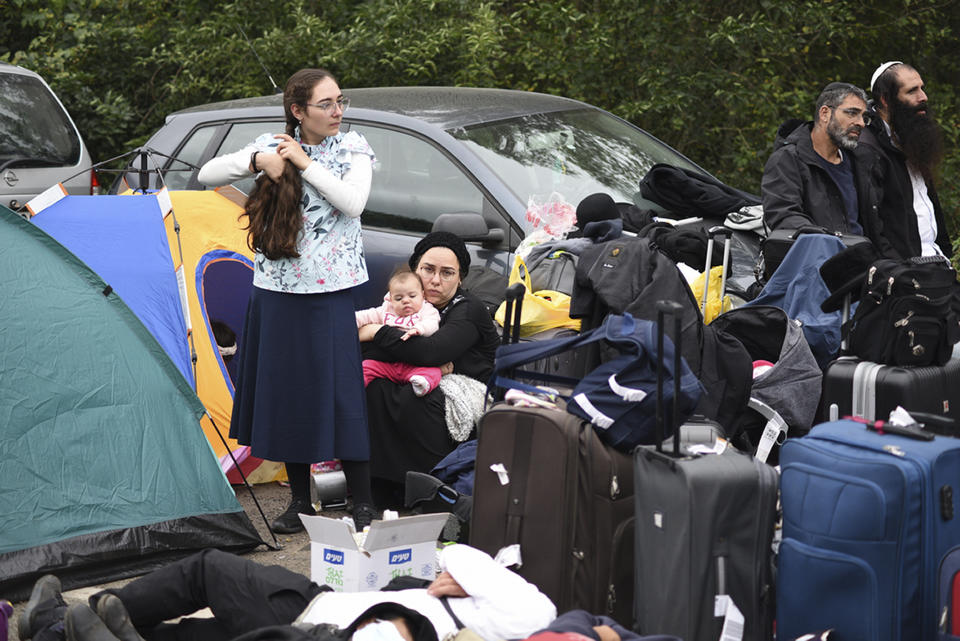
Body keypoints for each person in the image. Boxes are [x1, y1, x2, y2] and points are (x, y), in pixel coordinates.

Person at [196, 68, 377, 534]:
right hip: (276, 293)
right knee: (293, 396)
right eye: (327, 104)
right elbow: (206, 173)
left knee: (340, 396)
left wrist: (304, 162)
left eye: (341, 101)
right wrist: (261, 160)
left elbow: (353, 203)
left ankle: (363, 504)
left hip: (330, 294)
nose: (338, 112)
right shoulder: (273, 143)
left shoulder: (352, 148)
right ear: (298, 111)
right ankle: (300, 503)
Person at [18, 545, 557, 641]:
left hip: (306, 622)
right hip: (311, 601)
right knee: (177, 638)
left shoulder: (526, 615)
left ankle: (54, 625)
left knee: (209, 569)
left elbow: (459, 557)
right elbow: (458, 562)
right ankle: (50, 630)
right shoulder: (469, 613)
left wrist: (461, 569)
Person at [357, 232, 500, 507]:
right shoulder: (404, 300)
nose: (435, 280)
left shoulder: (468, 309)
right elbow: (370, 352)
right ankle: (383, 486)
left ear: (460, 278)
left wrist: (376, 331)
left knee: (418, 396)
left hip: (472, 395)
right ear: (414, 270)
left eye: (447, 273)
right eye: (428, 270)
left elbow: (430, 351)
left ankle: (428, 488)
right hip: (423, 377)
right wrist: (388, 340)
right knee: (373, 386)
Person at [761, 82, 893, 255]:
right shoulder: (787, 160)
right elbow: (784, 216)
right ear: (825, 113)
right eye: (852, 113)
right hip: (812, 265)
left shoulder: (861, 162)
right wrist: (830, 242)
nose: (860, 123)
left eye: (864, 117)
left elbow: (877, 226)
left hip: (863, 267)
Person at [861, 61, 952, 259]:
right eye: (912, 91)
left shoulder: (913, 138)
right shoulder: (868, 147)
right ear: (886, 99)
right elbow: (871, 223)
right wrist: (897, 270)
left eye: (922, 88)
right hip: (904, 275)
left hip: (937, 266)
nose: (923, 97)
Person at [356, 268, 442, 397]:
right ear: (390, 299)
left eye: (412, 296)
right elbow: (366, 315)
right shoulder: (386, 310)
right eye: (398, 298)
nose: (405, 301)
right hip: (387, 364)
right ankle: (357, 385)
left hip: (413, 364)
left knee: (434, 372)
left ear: (422, 295)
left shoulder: (426, 310)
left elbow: (433, 323)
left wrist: (419, 329)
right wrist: (350, 321)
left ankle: (422, 383)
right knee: (367, 366)